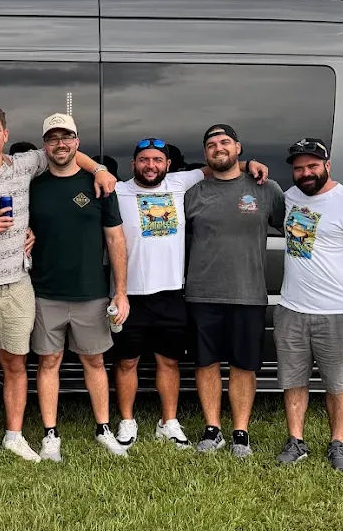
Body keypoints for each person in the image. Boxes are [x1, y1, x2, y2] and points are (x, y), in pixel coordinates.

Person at [0, 103, 114, 467]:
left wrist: (101, 169)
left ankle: (14, 435)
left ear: (5, 135)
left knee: (16, 365)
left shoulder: (24, 166)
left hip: (17, 285)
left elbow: (65, 150)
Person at [113, 139, 271, 448]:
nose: (150, 165)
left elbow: (217, 167)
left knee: (168, 362)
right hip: (129, 294)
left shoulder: (180, 182)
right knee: (127, 362)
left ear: (168, 165)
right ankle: (127, 420)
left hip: (172, 292)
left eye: (157, 160)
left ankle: (168, 422)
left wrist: (247, 164)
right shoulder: (117, 191)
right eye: (143, 160)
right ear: (133, 165)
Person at [274, 138, 343, 471]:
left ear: (327, 166)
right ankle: (296, 440)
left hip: (338, 313)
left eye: (312, 166)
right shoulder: (289, 198)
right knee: (293, 381)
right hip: (292, 309)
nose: (305, 173)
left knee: (338, 384)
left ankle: (337, 443)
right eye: (299, 168)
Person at [28, 114, 129, 460]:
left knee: (95, 362)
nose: (60, 144)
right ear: (45, 145)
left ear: (77, 141)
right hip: (45, 292)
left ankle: (103, 428)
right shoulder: (33, 186)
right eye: (53, 138)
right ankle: (50, 435)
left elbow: (115, 239)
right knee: (48, 362)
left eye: (66, 137)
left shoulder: (99, 185)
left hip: (91, 292)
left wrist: (120, 291)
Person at [184, 123, 285, 458]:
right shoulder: (193, 193)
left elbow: (296, 227)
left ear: (238, 148)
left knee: (244, 364)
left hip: (248, 293)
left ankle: (240, 432)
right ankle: (213, 429)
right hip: (202, 293)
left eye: (225, 142)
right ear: (206, 154)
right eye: (211, 144)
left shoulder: (266, 190)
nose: (218, 148)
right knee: (206, 362)